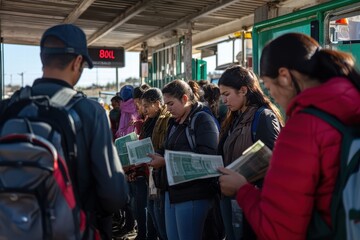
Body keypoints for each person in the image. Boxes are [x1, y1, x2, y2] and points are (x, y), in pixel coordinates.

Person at [218, 32, 360, 239]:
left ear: (284, 76)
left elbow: (279, 230)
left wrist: (243, 191)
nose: (272, 96)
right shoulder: (351, 105)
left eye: (268, 86)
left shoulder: (303, 127)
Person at [0, 24, 128, 239]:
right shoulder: (90, 112)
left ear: (43, 58)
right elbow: (113, 195)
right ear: (78, 61)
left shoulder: (8, 108)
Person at [217, 65, 283, 240]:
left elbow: (273, 161)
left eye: (226, 94)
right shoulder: (233, 118)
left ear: (243, 90)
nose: (223, 101)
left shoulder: (264, 117)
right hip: (229, 196)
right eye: (221, 95)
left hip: (251, 197)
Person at [148, 79, 219, 240]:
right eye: (166, 104)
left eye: (171, 104)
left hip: (194, 194)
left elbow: (208, 158)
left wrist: (165, 161)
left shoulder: (202, 120)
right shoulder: (175, 122)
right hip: (173, 192)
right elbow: (167, 147)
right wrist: (158, 154)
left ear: (185, 99)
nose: (168, 108)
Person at [141, 88, 172, 240]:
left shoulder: (166, 119)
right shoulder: (150, 121)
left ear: (158, 104)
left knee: (160, 219)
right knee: (153, 213)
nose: (143, 109)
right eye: (142, 105)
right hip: (152, 174)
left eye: (147, 105)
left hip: (160, 175)